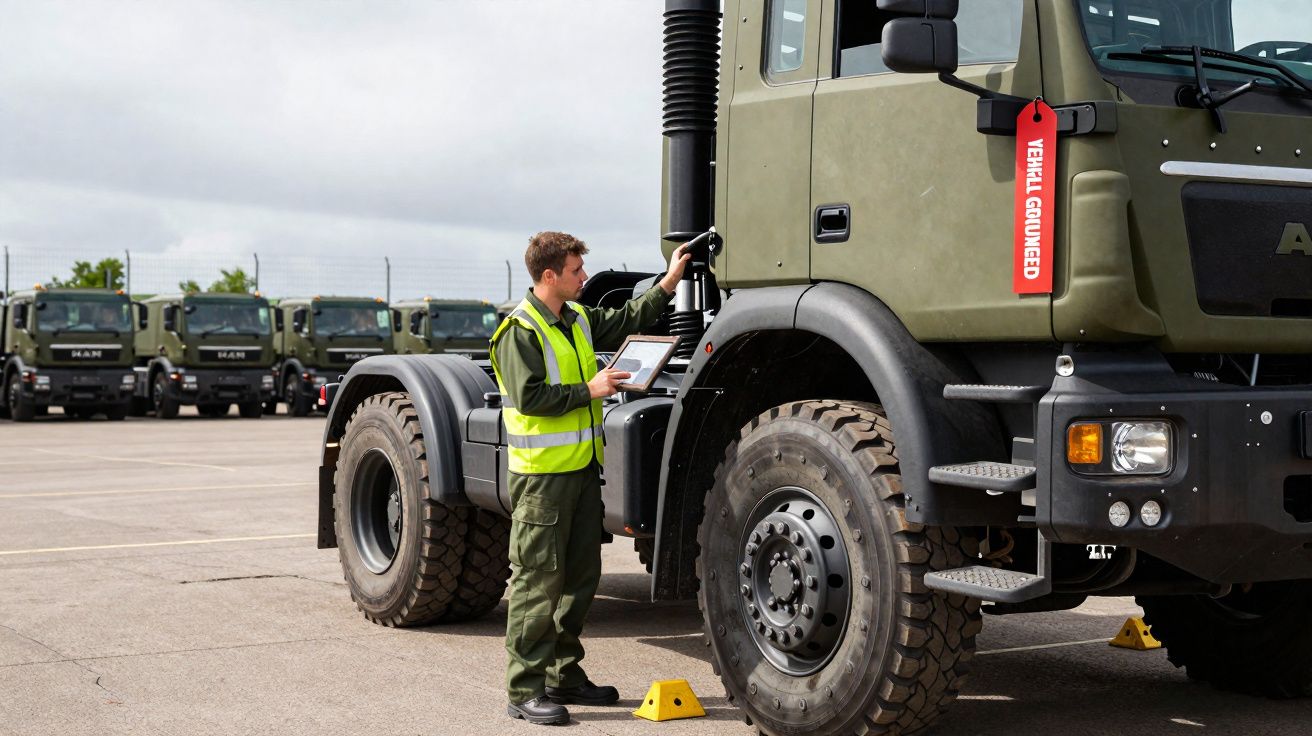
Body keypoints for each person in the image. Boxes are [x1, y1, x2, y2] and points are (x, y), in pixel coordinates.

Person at [493, 231, 689, 725]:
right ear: (549, 275)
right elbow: (531, 398)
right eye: (576, 270)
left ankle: (563, 674)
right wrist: (591, 388)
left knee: (580, 578)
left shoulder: (576, 317)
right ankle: (524, 689)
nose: (584, 277)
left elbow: (624, 319)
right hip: (542, 480)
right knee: (539, 582)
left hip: (581, 472)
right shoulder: (519, 331)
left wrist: (668, 283)